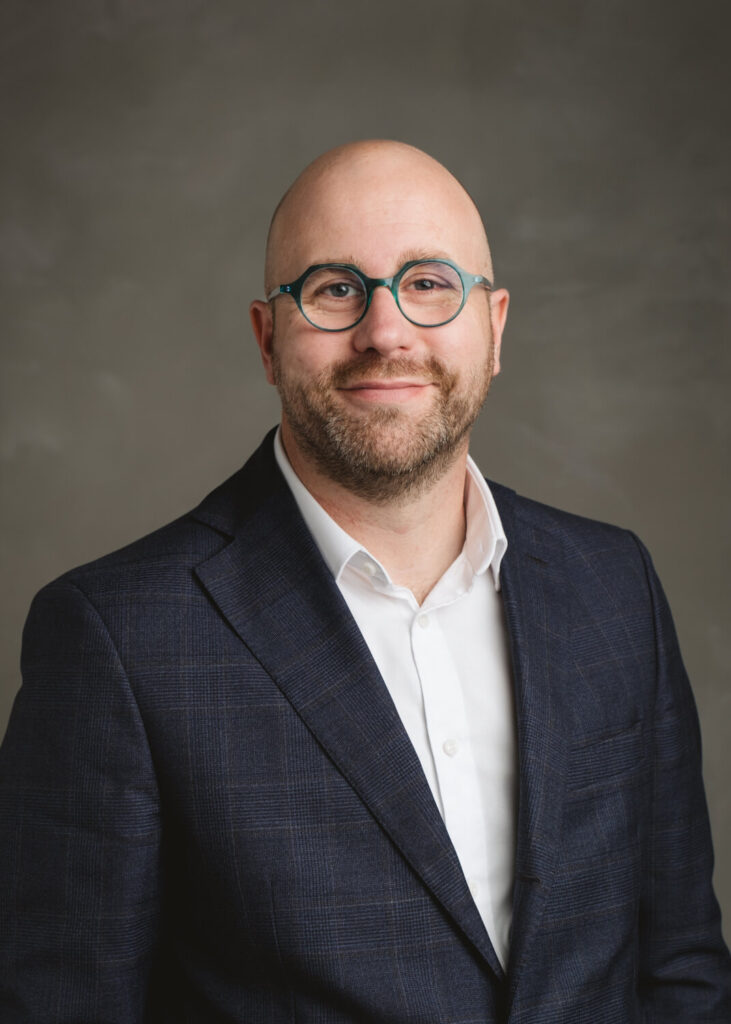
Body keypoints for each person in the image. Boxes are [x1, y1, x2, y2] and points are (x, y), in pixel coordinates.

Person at [0, 139, 729, 1023]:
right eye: (335, 288)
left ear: (493, 328)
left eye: (428, 283)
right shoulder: (119, 638)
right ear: (268, 340)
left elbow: (682, 970)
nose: (385, 332)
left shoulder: (613, 587)